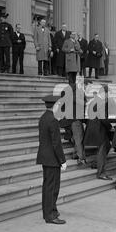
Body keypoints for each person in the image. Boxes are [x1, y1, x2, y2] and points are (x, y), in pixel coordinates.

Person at [36, 95, 67, 224]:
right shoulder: (53, 120)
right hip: (52, 159)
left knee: (48, 187)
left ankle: (49, 211)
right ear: (55, 105)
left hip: (45, 157)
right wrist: (62, 160)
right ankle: (50, 215)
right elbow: (56, 143)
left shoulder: (43, 118)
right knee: (52, 188)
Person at [83, 85, 113, 180]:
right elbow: (102, 118)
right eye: (108, 94)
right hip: (98, 129)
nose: (108, 96)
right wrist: (110, 126)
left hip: (93, 127)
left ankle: (96, 163)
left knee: (107, 145)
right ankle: (101, 173)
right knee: (102, 150)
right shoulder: (100, 102)